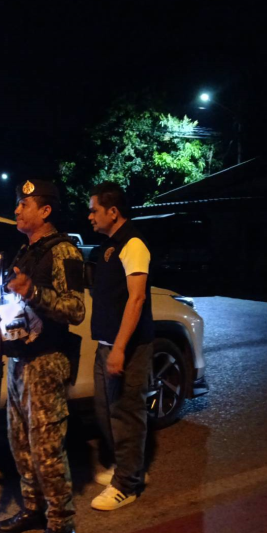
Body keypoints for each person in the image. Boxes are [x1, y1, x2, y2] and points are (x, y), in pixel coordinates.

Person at [0, 179, 86, 533]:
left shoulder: (64, 252)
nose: (17, 210)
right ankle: (34, 508)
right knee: (20, 442)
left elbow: (75, 309)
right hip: (20, 360)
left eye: (25, 204)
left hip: (47, 361)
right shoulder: (25, 251)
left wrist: (33, 291)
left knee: (47, 449)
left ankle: (63, 527)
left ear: (45, 211)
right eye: (17, 203)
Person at [87, 181, 153, 511]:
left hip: (128, 347)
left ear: (113, 212)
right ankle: (129, 468)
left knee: (126, 413)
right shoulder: (109, 246)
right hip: (107, 344)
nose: (90, 216)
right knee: (106, 411)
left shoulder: (133, 243)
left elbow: (136, 298)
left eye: (94, 210)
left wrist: (120, 348)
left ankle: (127, 485)